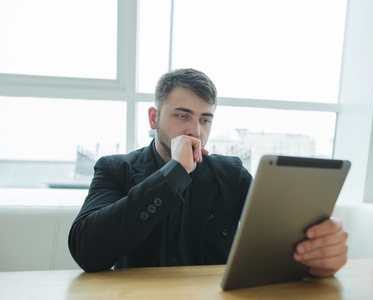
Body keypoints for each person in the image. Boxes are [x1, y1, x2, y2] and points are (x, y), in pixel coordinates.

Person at [69, 68, 348, 276]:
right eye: (182, 115)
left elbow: (280, 243)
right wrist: (173, 173)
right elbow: (87, 254)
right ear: (154, 118)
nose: (196, 131)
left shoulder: (231, 174)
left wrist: (317, 258)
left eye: (205, 119)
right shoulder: (115, 169)